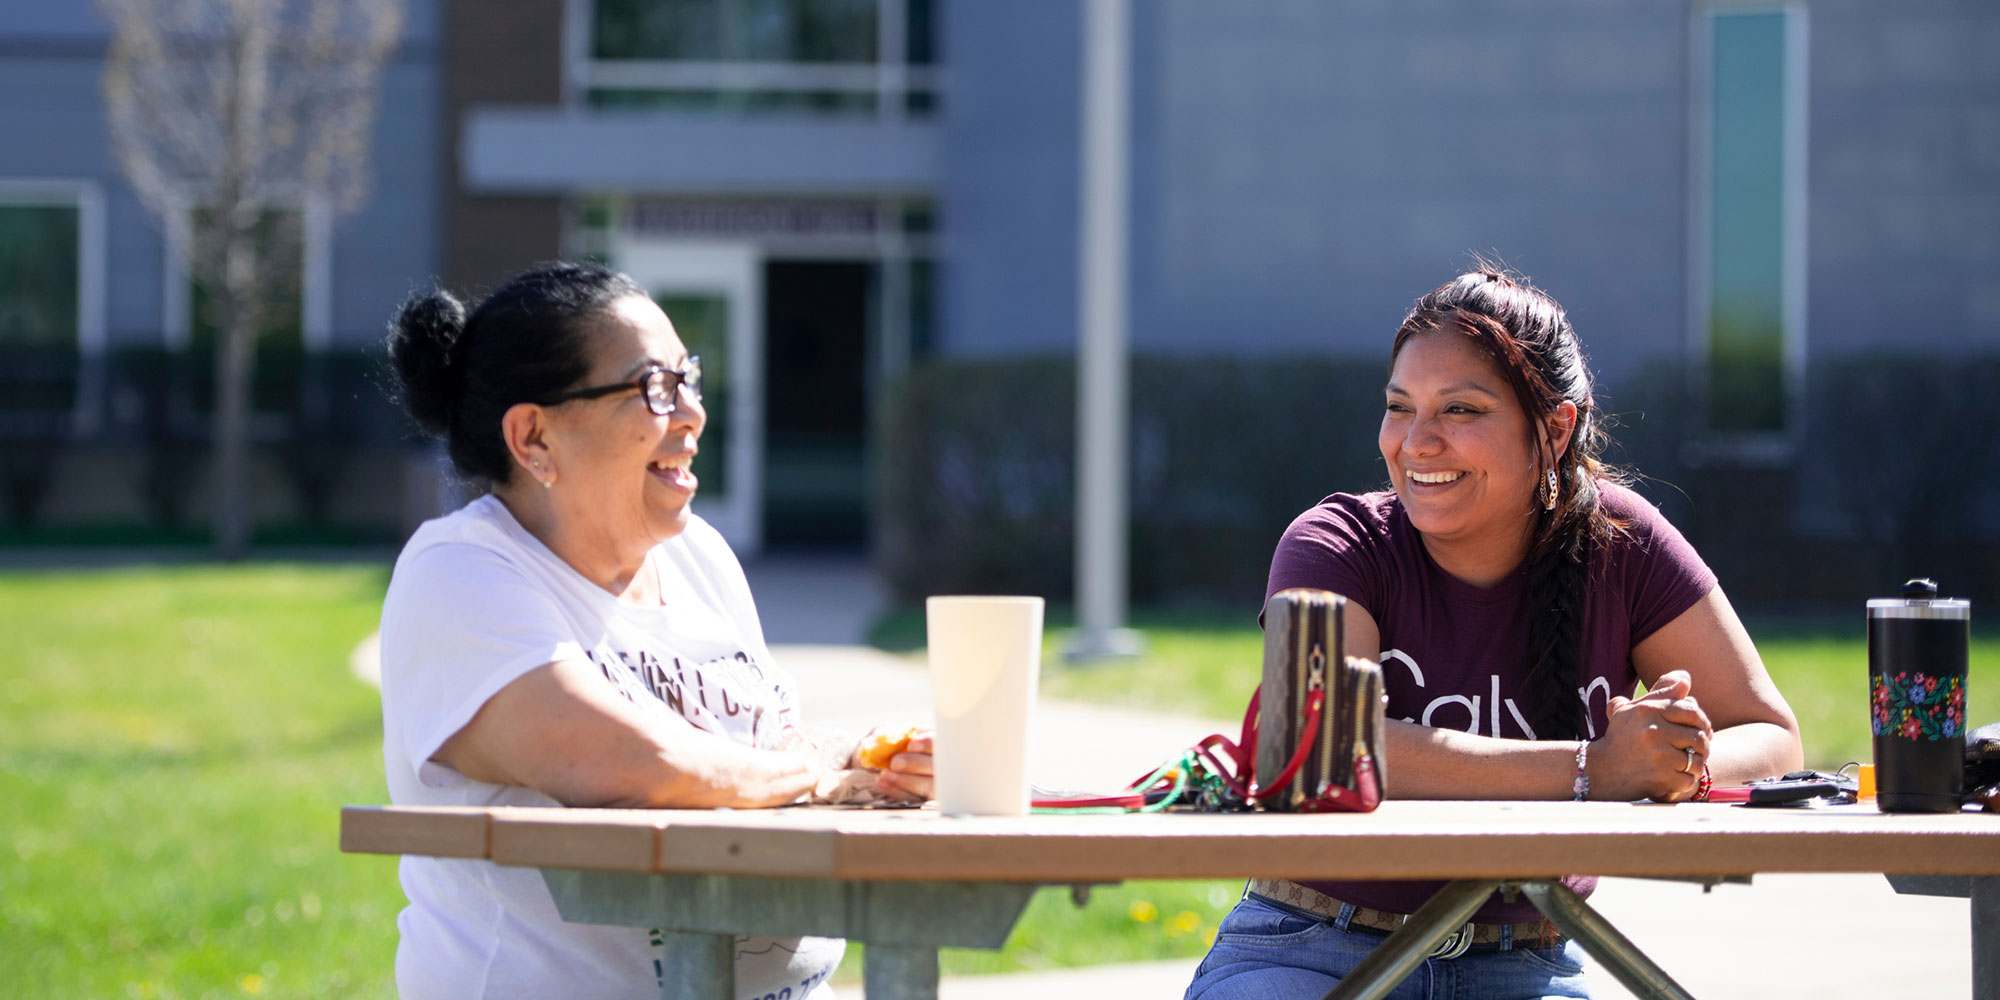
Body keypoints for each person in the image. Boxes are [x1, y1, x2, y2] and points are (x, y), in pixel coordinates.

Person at [1184, 268, 1804, 1000]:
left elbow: (1771, 736)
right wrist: (1593, 769)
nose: (1417, 443)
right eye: (1399, 407)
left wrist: (1676, 759)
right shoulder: (1335, 543)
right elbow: (1322, 743)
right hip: (1309, 947)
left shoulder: (1622, 539)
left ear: (1554, 429)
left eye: (1460, 410)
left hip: (1526, 960)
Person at [377, 261, 932, 1000]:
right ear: (533, 436)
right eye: (654, 389)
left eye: (690, 381)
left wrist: (875, 763)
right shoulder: (460, 571)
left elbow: (758, 756)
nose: (693, 415)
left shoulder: (698, 555)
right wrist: (827, 779)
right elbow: (637, 762)